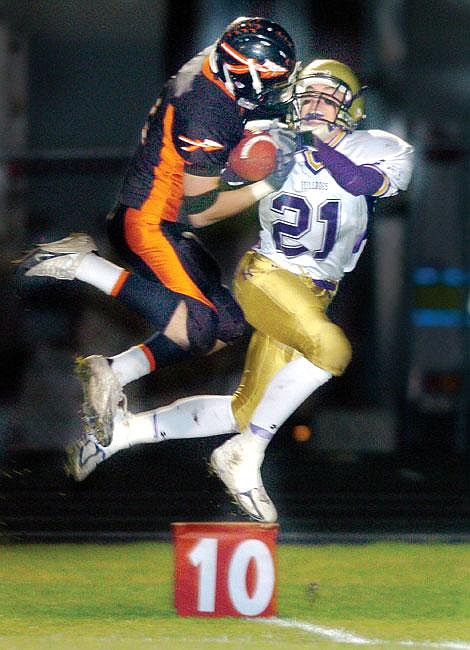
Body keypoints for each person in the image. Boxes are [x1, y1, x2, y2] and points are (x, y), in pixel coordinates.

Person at [65, 59, 414, 523]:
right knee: (331, 349)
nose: (312, 107)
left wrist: (309, 148)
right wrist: (241, 160)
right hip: (267, 277)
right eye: (306, 96)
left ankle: (122, 435)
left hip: (316, 294)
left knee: (243, 410)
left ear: (351, 111)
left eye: (326, 100)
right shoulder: (268, 139)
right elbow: (207, 189)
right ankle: (247, 453)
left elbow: (362, 181)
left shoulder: (380, 148)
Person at [19, 17, 298, 446]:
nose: (278, 90)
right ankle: (82, 265)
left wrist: (262, 119)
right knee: (198, 328)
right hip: (147, 223)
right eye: (274, 81)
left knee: (228, 328)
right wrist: (264, 183)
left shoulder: (212, 69)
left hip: (165, 221)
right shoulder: (207, 110)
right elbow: (203, 210)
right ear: (245, 74)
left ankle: (114, 371)